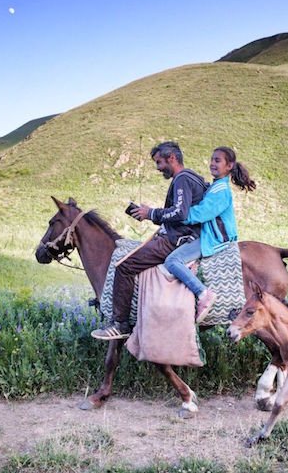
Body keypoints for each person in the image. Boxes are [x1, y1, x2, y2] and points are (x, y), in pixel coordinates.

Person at [91, 141, 208, 340]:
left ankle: (120, 324)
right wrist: (149, 215)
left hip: (176, 241)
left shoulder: (181, 179)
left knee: (124, 265)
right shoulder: (192, 178)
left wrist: (151, 212)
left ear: (172, 158)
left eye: (159, 162)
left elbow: (181, 212)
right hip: (182, 235)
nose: (157, 168)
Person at [164, 146, 256, 324]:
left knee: (172, 261)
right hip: (207, 233)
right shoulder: (216, 186)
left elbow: (202, 213)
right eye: (212, 159)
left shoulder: (221, 191)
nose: (212, 163)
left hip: (213, 238)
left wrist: (178, 216)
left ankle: (203, 293)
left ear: (229, 166)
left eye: (217, 161)